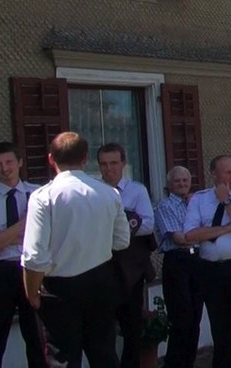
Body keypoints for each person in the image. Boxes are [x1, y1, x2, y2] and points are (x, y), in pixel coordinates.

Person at [21, 132, 130, 368]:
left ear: (51, 159)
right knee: (104, 355)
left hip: (60, 289)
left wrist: (31, 294)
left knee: (64, 359)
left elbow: (35, 256)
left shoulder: (43, 197)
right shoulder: (109, 193)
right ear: (85, 159)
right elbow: (122, 241)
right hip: (101, 282)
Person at [183, 155, 231, 368]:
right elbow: (190, 235)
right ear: (214, 174)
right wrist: (227, 228)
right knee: (220, 324)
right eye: (228, 172)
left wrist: (226, 200)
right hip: (210, 269)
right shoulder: (200, 199)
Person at [98, 143, 155, 368]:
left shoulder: (136, 190)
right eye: (104, 164)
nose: (109, 168)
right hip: (101, 266)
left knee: (132, 326)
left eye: (113, 163)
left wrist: (117, 226)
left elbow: (148, 225)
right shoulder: (93, 191)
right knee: (102, 327)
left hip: (130, 268)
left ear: (123, 163)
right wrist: (126, 220)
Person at [0, 142, 45, 368]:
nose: (4, 168)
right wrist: (26, 224)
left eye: (9, 162)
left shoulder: (38, 194)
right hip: (1, 271)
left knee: (36, 337)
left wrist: (5, 236)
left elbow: (47, 236)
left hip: (33, 269)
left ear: (20, 163)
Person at [154, 166, 203, 368]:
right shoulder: (165, 206)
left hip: (197, 260)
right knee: (182, 318)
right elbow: (179, 238)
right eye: (177, 181)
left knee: (196, 318)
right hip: (178, 262)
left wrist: (202, 234)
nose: (182, 184)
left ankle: (188, 363)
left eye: (185, 180)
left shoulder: (195, 204)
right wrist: (205, 235)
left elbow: (205, 229)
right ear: (169, 184)